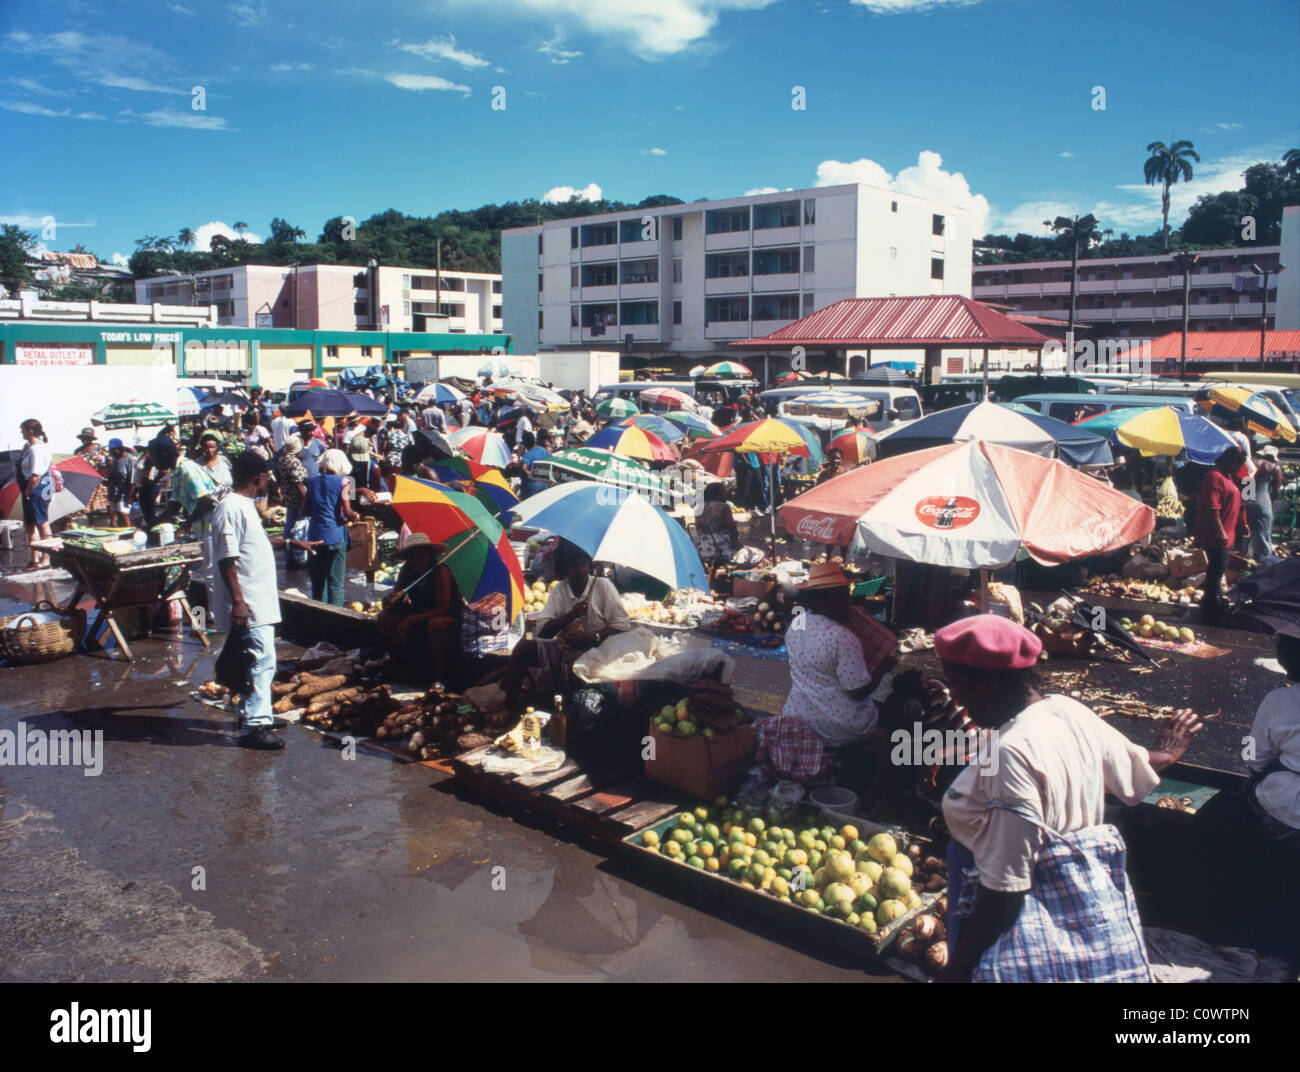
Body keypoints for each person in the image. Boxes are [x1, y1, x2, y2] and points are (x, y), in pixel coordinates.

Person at [933, 614, 1202, 983]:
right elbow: (1137, 770)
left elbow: (1005, 889)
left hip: (1016, 911)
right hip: (1072, 896)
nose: (954, 696)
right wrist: (1166, 753)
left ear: (989, 681)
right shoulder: (1067, 711)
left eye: (955, 682)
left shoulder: (1012, 753)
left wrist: (956, 971)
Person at [210, 452, 287, 751]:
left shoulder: (246, 506)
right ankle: (255, 726)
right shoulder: (230, 507)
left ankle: (255, 713)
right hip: (249, 601)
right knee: (260, 660)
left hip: (257, 599)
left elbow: (255, 545)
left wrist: (291, 543)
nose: (268, 481)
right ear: (258, 478)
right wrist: (239, 602)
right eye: (266, 476)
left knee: (253, 660)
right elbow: (227, 558)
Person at [501, 542, 631, 705]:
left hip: (599, 652)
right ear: (563, 570)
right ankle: (509, 705)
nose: (581, 570)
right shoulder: (560, 589)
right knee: (524, 647)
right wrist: (571, 615)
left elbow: (622, 626)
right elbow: (543, 632)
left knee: (574, 660)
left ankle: (573, 713)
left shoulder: (603, 586)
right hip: (564, 649)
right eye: (573, 566)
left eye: (583, 564)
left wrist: (592, 638)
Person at [377, 534, 462, 685]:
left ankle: (440, 676)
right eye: (413, 557)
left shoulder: (441, 572)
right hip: (418, 613)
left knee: (436, 625)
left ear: (429, 555)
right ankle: (395, 665)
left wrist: (410, 620)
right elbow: (398, 595)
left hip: (444, 615)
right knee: (385, 618)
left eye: (421, 556)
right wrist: (391, 601)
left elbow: (443, 608)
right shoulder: (407, 569)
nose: (417, 561)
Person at [1193, 446, 1248, 626]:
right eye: (1238, 463)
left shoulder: (1231, 477)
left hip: (1228, 532)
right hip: (1217, 534)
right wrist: (1220, 531)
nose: (1240, 467)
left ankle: (1213, 607)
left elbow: (1240, 504)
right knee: (1215, 573)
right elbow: (1212, 507)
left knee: (1218, 571)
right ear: (1230, 461)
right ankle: (1211, 612)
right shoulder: (1214, 477)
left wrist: (1243, 524)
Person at [303, 450, 359, 605]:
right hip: (334, 536)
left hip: (315, 536)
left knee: (318, 585)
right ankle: (335, 622)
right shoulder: (344, 482)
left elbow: (304, 511)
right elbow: (347, 513)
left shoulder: (312, 482)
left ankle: (317, 619)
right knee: (335, 585)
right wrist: (355, 515)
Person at [17, 418, 54, 568]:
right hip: (32, 488)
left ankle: (46, 559)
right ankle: (35, 559)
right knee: (30, 525)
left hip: (35, 488)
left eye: (23, 429)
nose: (21, 432)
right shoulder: (31, 448)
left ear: (30, 431)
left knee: (42, 523)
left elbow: (36, 475)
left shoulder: (37, 449)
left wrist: (27, 492)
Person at [275, 435, 309, 568]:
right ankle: (300, 557)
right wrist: (306, 500)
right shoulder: (293, 462)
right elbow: (299, 484)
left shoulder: (282, 460)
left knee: (290, 527)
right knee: (301, 528)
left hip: (289, 498)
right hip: (298, 499)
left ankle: (290, 555)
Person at [693, 481, 740, 573]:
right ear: (715, 494)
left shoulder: (698, 507)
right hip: (718, 546)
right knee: (752, 554)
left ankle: (714, 569)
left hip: (700, 545)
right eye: (723, 492)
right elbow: (731, 527)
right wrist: (736, 542)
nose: (726, 494)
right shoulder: (723, 507)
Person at [1247, 444, 1283, 561]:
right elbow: (1276, 491)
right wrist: (1270, 501)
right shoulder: (1274, 468)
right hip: (1263, 500)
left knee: (1245, 533)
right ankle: (1263, 564)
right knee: (1263, 534)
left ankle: (1242, 561)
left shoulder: (1250, 463)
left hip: (1248, 498)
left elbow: (1246, 486)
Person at [140, 423, 179, 528]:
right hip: (146, 486)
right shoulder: (177, 471)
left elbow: (163, 470)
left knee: (151, 512)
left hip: (151, 486)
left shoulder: (182, 469)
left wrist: (154, 481)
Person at [104, 438, 135, 528]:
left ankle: (129, 534)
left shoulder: (130, 459)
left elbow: (132, 480)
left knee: (123, 514)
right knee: (116, 513)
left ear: (120, 449)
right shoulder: (114, 459)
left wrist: (130, 496)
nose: (113, 451)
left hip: (124, 492)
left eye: (114, 449)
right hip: (113, 491)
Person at [519, 430, 552, 498]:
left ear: (525, 442)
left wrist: (534, 476)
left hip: (531, 489)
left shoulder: (528, 455)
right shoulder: (542, 450)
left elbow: (523, 468)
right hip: (544, 486)